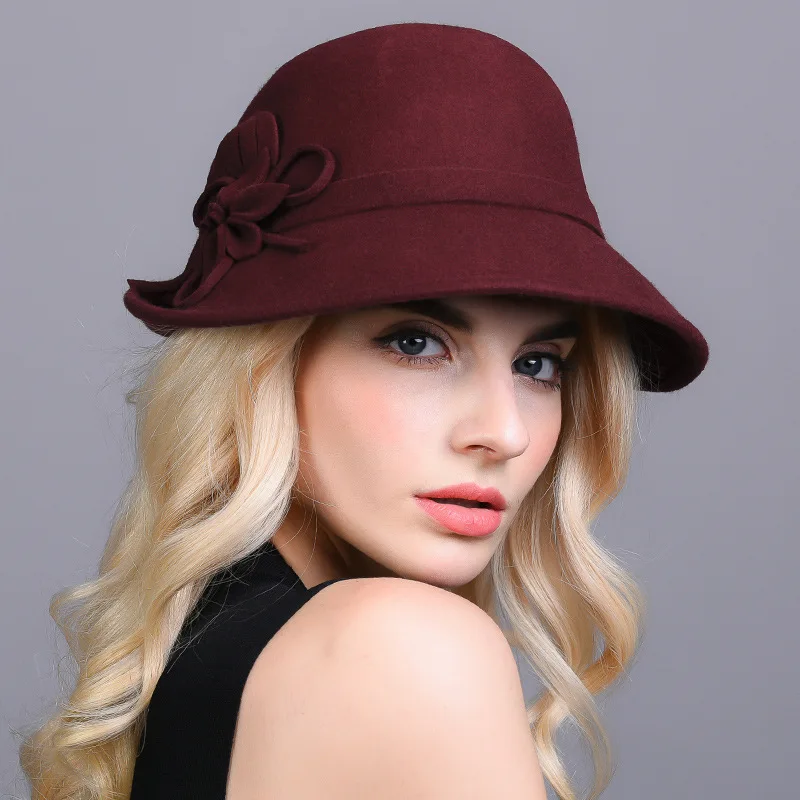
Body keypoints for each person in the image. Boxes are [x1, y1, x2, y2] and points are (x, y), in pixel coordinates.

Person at [18, 21, 709, 800]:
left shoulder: (203, 659)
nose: (504, 433)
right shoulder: (404, 647)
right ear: (267, 363)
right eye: (416, 343)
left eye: (538, 364)